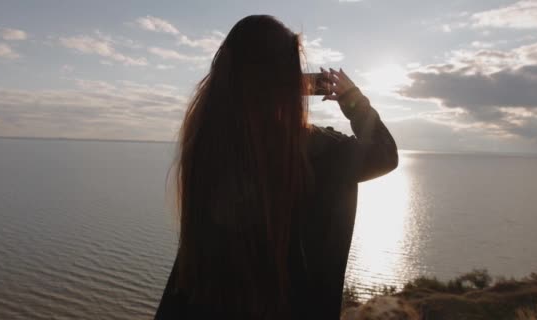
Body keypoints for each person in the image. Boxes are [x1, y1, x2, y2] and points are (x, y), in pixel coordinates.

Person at [155, 14, 398, 320]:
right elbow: (385, 154)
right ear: (288, 81)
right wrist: (353, 100)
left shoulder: (207, 145)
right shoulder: (321, 153)